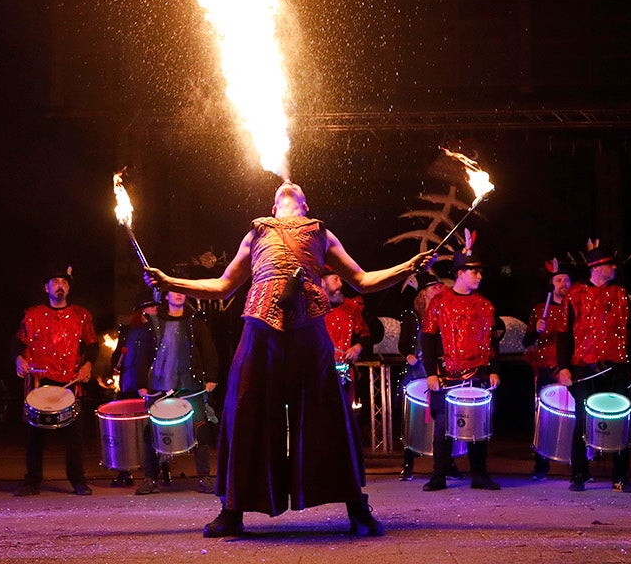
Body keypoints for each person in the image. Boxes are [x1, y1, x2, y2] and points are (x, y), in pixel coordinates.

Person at [143, 181, 433, 537]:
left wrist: (408, 266)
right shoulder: (256, 233)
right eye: (282, 189)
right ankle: (232, 510)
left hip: (308, 329)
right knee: (244, 411)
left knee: (328, 414)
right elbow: (223, 285)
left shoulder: (321, 234)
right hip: (260, 330)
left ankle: (356, 507)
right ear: (274, 204)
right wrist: (170, 281)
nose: (287, 184)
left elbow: (362, 279)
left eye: (295, 188)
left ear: (304, 205)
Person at [556, 239, 631, 493]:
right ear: (596, 267)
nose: (614, 268)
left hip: (616, 367)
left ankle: (620, 476)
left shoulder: (621, 294)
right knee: (583, 419)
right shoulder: (576, 294)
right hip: (585, 367)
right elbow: (563, 333)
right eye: (609, 264)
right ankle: (579, 474)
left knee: (620, 420)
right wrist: (563, 367)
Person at [419, 246, 503, 492]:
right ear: (460, 273)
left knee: (479, 426)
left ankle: (479, 475)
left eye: (479, 272)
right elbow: (428, 338)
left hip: (477, 373)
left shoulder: (485, 305)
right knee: (442, 428)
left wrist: (495, 370)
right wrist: (431, 372)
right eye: (474, 272)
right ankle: (438, 476)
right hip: (447, 375)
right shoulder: (440, 302)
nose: (479, 276)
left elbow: (493, 341)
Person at [12, 265, 99, 497]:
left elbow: (92, 345)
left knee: (74, 436)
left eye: (64, 282)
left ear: (68, 288)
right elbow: (18, 344)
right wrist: (19, 358)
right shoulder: (31, 315)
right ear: (46, 288)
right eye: (54, 282)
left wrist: (88, 365)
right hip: (40, 381)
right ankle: (32, 481)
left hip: (70, 381)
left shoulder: (82, 315)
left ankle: (78, 481)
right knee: (34, 436)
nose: (60, 285)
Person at [133, 290, 219, 496]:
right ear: (166, 297)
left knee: (200, 429)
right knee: (151, 432)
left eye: (182, 292)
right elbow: (143, 354)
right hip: (159, 387)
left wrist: (211, 377)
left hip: (190, 385)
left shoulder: (195, 322)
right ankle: (150, 478)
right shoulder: (152, 324)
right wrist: (141, 383)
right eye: (174, 291)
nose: (179, 295)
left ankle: (204, 477)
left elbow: (208, 350)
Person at [397, 270, 461, 481]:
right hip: (418, 373)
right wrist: (408, 355)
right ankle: (408, 464)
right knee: (412, 418)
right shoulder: (412, 316)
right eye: (435, 287)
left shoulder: (446, 313)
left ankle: (448, 463)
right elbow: (403, 344)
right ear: (423, 293)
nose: (440, 290)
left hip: (440, 373)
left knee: (443, 418)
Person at [523, 258, 573, 481]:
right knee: (542, 417)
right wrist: (537, 331)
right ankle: (541, 465)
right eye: (559, 279)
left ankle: (579, 466)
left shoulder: (575, 307)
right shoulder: (539, 309)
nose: (564, 283)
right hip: (545, 368)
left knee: (575, 416)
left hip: (570, 368)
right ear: (552, 284)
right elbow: (526, 341)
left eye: (567, 280)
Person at [106, 295, 157, 488]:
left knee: (151, 428)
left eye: (155, 307)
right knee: (125, 430)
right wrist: (115, 365)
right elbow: (119, 352)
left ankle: (158, 471)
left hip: (151, 385)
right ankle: (125, 471)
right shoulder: (128, 331)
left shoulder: (157, 331)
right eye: (150, 307)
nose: (154, 310)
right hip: (129, 384)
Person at [323, 270, 375, 411]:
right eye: (335, 279)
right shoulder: (312, 308)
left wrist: (357, 347)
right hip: (319, 371)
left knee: (344, 409)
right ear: (322, 282)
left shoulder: (351, 307)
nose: (340, 284)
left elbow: (366, 335)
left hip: (343, 369)